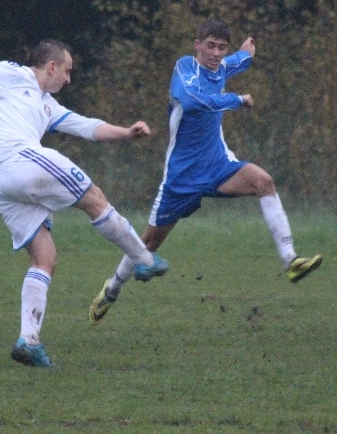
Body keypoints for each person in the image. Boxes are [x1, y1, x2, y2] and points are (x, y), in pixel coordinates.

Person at [0, 40, 170, 367]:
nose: (69, 80)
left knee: (45, 257)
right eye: (67, 71)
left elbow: (86, 126)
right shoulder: (9, 73)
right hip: (16, 161)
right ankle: (142, 258)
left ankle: (28, 339)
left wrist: (126, 133)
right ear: (51, 66)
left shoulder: (47, 105)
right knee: (93, 197)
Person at [89, 19, 322, 325]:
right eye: (209, 45)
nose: (215, 53)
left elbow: (237, 62)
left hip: (217, 166)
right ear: (197, 44)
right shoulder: (185, 69)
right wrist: (236, 100)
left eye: (221, 48)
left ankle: (291, 260)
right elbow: (192, 100)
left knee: (263, 181)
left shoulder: (223, 65)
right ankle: (112, 289)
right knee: (147, 245)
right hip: (181, 178)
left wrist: (246, 52)